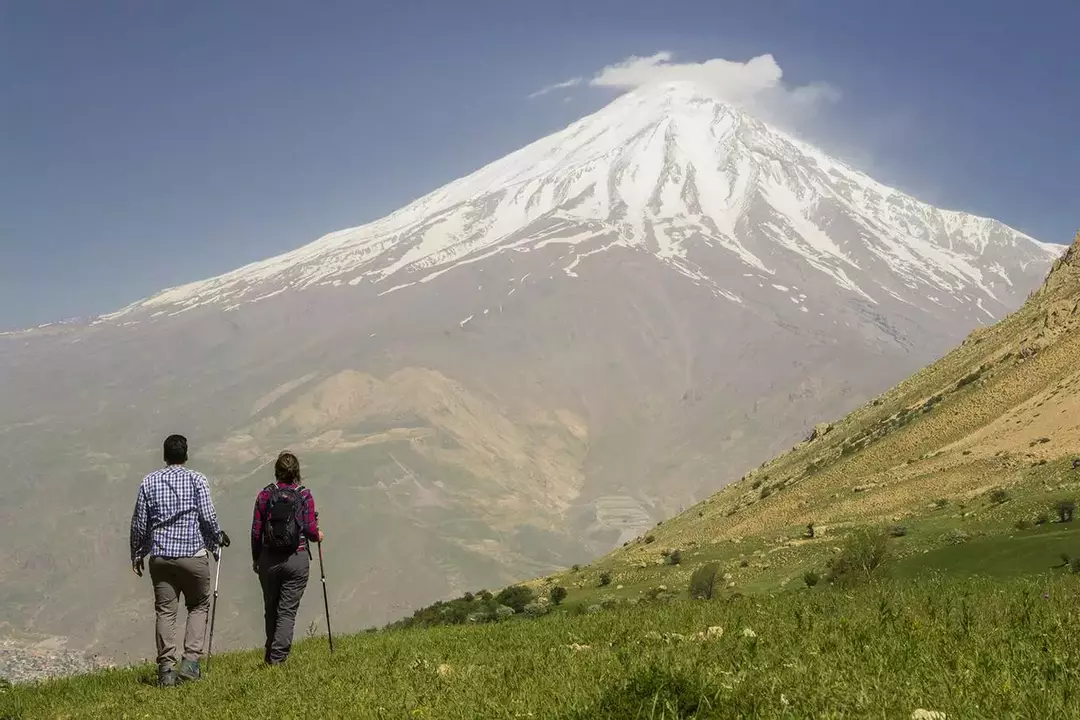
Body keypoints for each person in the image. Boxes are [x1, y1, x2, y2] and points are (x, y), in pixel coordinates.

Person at [130, 434, 226, 686]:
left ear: (164, 455)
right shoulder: (197, 480)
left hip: (161, 557)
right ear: (186, 455)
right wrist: (216, 539)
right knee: (198, 606)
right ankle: (191, 663)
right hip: (192, 555)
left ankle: (166, 670)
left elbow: (140, 523)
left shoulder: (149, 482)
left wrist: (137, 553)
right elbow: (207, 516)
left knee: (165, 611)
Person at [251, 451, 323, 665]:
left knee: (270, 609)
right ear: (297, 472)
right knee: (287, 612)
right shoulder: (304, 495)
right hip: (296, 558)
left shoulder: (264, 495)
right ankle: (277, 660)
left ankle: (270, 654)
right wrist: (318, 535)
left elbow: (256, 532)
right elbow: (310, 530)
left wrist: (256, 558)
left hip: (268, 559)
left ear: (277, 472)